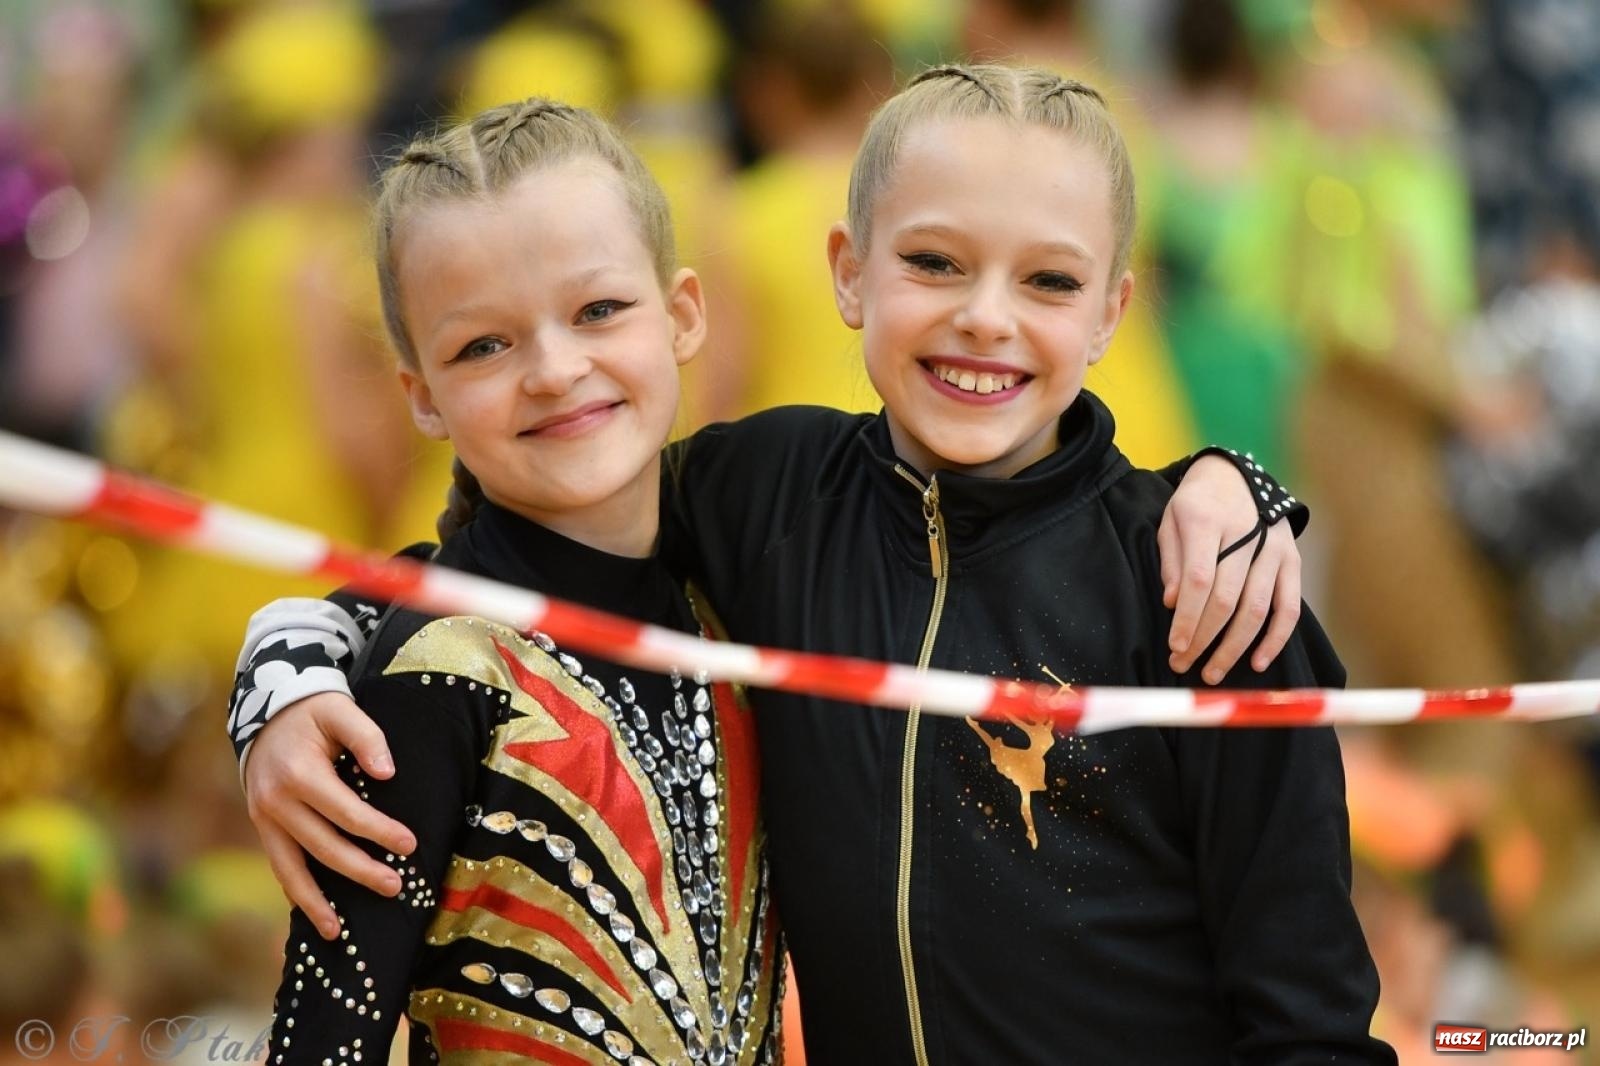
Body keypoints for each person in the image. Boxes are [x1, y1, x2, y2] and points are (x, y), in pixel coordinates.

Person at [233, 67, 1375, 1062]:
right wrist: (287, 663)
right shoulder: (767, 495)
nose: (985, 318)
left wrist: (1236, 479)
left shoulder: (1206, 590)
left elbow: (1310, 1015)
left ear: (1112, 310)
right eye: (933, 262)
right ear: (848, 273)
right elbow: (494, 559)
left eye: (1049, 282)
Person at [256, 98, 784, 1063]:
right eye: (483, 346)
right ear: (422, 395)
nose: (552, 369)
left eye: (598, 310)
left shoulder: (737, 598)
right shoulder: (434, 675)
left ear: (683, 314)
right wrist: (283, 668)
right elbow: (321, 1042)